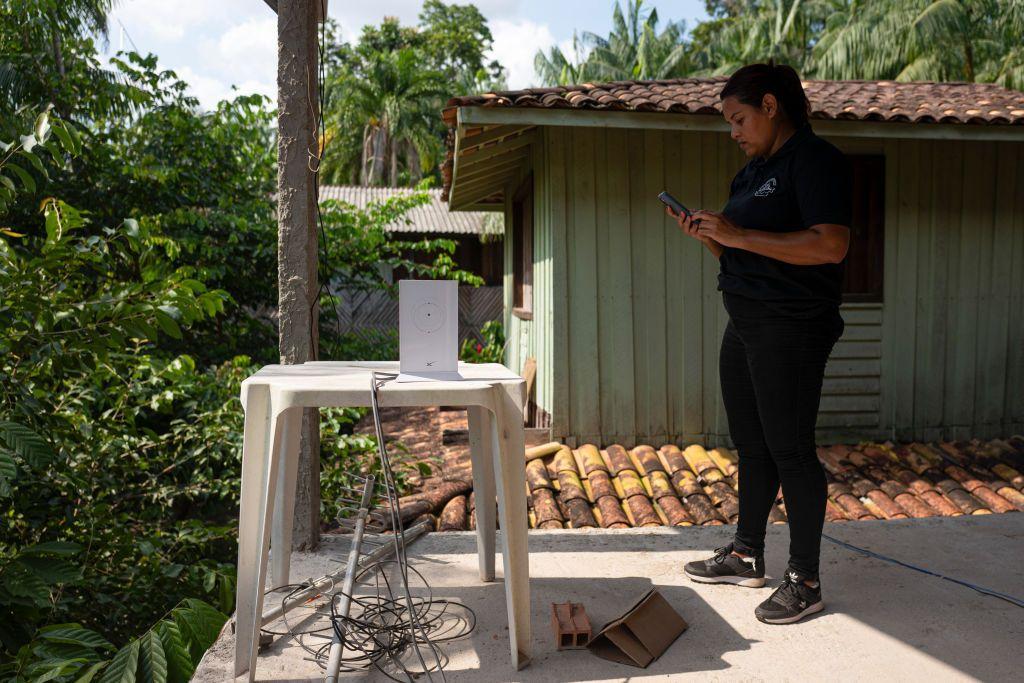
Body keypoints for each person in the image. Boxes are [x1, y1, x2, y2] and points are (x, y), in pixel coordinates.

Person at [664, 61, 852, 625]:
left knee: (791, 448)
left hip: (792, 325)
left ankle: (806, 579)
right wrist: (713, 238)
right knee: (752, 444)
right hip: (744, 321)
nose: (734, 132)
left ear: (771, 107)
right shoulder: (750, 175)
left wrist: (738, 233)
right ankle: (747, 553)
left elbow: (830, 245)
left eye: (739, 118)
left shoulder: (817, 162)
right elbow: (747, 253)